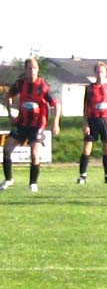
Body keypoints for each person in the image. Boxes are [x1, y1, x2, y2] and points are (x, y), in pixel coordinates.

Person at [1, 57, 61, 193]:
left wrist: (56, 122)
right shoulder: (20, 84)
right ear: (25, 70)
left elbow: (56, 104)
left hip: (37, 124)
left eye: (34, 68)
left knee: (34, 154)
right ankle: (8, 179)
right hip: (22, 123)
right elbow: (8, 96)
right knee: (7, 149)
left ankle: (33, 183)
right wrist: (10, 114)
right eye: (29, 68)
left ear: (38, 70)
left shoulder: (43, 86)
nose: (32, 71)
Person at [77, 61, 107, 185]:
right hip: (93, 120)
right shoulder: (90, 89)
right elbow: (85, 107)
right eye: (97, 71)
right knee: (87, 148)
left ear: (106, 73)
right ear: (95, 73)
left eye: (102, 72)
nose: (99, 74)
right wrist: (85, 123)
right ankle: (82, 176)